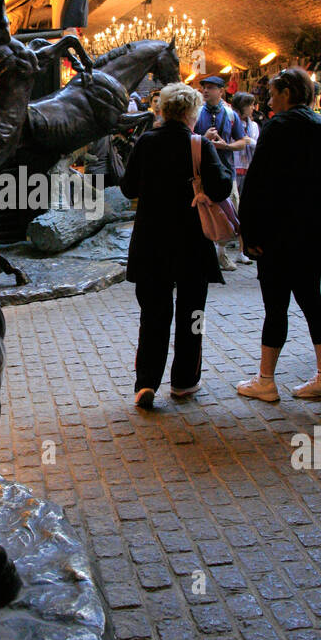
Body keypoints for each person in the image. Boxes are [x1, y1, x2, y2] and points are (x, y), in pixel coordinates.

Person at [237, 66, 321, 402]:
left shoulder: (277, 129)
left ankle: (266, 380)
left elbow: (258, 185)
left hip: (278, 235)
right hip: (311, 235)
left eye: (272, 94)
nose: (269, 101)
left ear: (286, 93)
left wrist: (250, 231)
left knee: (276, 306)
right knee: (313, 301)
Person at [120, 81, 231, 409]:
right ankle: (184, 381)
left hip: (152, 243)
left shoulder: (145, 142)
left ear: (164, 111)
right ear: (191, 113)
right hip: (192, 245)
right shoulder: (199, 144)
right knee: (193, 312)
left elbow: (127, 188)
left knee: (153, 314)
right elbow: (222, 188)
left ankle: (146, 383)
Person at [196, 76, 247, 270]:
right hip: (202, 173)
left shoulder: (230, 115)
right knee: (204, 212)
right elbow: (189, 139)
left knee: (228, 211)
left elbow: (242, 141)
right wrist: (204, 139)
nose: (205, 91)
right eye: (204, 88)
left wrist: (227, 145)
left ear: (221, 91)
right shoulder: (197, 114)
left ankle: (221, 253)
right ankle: (207, 255)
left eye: (210, 88)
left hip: (226, 172)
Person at [231, 92, 259, 264]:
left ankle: (242, 249)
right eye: (250, 105)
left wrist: (250, 142)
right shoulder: (233, 122)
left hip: (248, 168)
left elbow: (257, 143)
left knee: (245, 210)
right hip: (234, 169)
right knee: (234, 208)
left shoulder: (254, 126)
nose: (253, 108)